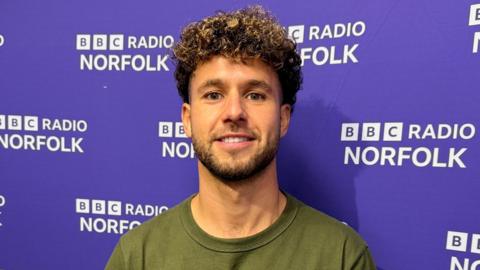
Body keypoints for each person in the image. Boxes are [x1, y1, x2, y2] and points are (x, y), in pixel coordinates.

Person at [105, 5, 376, 270]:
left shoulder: (341, 257)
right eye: (213, 95)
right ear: (187, 119)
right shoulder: (136, 256)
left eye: (255, 95)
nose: (234, 112)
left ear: (283, 119)